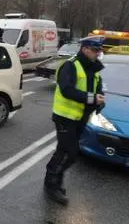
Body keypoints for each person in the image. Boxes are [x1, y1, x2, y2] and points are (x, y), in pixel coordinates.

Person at [44, 35, 105, 205]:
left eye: (99, 50)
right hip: (65, 116)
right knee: (70, 152)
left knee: (63, 151)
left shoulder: (93, 68)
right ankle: (52, 184)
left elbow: (98, 89)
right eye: (95, 50)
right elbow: (67, 90)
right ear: (84, 49)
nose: (97, 53)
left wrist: (100, 100)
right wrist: (92, 99)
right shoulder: (71, 65)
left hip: (80, 117)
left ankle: (53, 180)